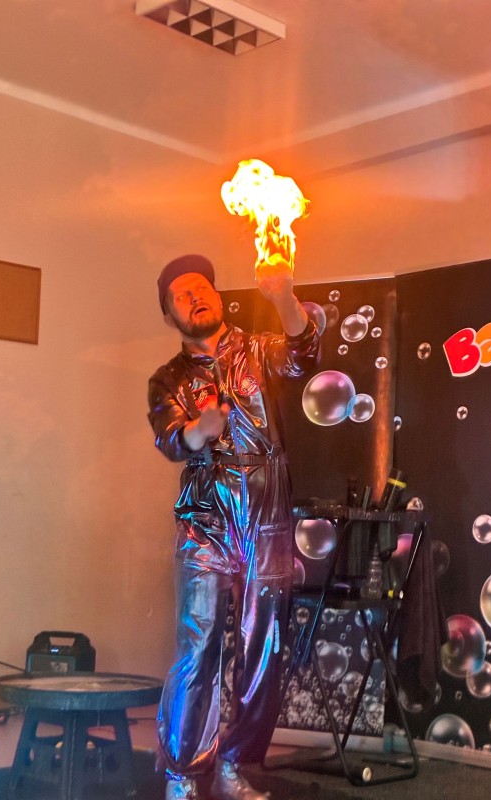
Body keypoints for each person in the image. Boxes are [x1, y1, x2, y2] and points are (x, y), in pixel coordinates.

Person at [148, 253, 320, 800]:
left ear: (218, 296)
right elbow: (172, 440)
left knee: (263, 645)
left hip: (267, 516)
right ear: (169, 315)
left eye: (201, 287)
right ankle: (182, 774)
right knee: (197, 647)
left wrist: (284, 297)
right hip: (205, 519)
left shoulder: (257, 349)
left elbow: (302, 353)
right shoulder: (168, 379)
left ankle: (235, 765)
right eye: (181, 294)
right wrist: (201, 428)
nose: (195, 297)